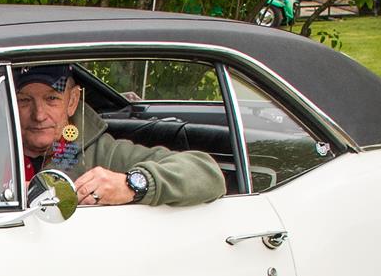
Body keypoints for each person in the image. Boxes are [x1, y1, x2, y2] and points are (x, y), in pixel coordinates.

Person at [15, 64, 225, 207]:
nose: (39, 115)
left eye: (52, 99)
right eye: (24, 100)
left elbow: (207, 173)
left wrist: (130, 185)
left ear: (72, 101)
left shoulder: (102, 153)